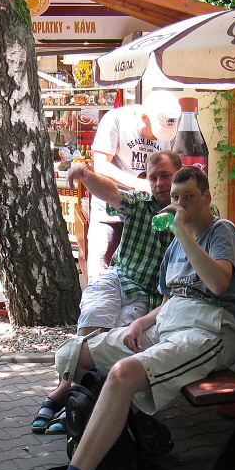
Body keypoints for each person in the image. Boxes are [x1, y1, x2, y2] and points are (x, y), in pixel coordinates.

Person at [29, 166, 235, 470]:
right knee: (74, 352)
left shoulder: (222, 231)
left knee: (122, 375)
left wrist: (181, 231)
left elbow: (218, 283)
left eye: (189, 197)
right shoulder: (175, 244)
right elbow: (169, 300)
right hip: (168, 322)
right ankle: (137, 429)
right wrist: (140, 323)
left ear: (207, 197)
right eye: (176, 198)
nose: (180, 204)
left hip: (211, 327)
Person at [30, 151, 182, 434]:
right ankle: (74, 396)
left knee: (114, 340)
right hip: (118, 277)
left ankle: (67, 397)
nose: (159, 183)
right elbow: (113, 194)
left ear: (180, 175)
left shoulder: (193, 212)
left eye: (166, 175)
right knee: (94, 314)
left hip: (147, 296)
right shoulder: (141, 203)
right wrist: (86, 176)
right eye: (153, 178)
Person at [86, 90, 181, 282]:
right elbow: (100, 166)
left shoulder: (166, 129)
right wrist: (141, 185)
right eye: (155, 132)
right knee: (101, 276)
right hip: (109, 214)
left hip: (144, 216)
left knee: (138, 278)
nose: (157, 138)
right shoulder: (116, 120)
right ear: (144, 117)